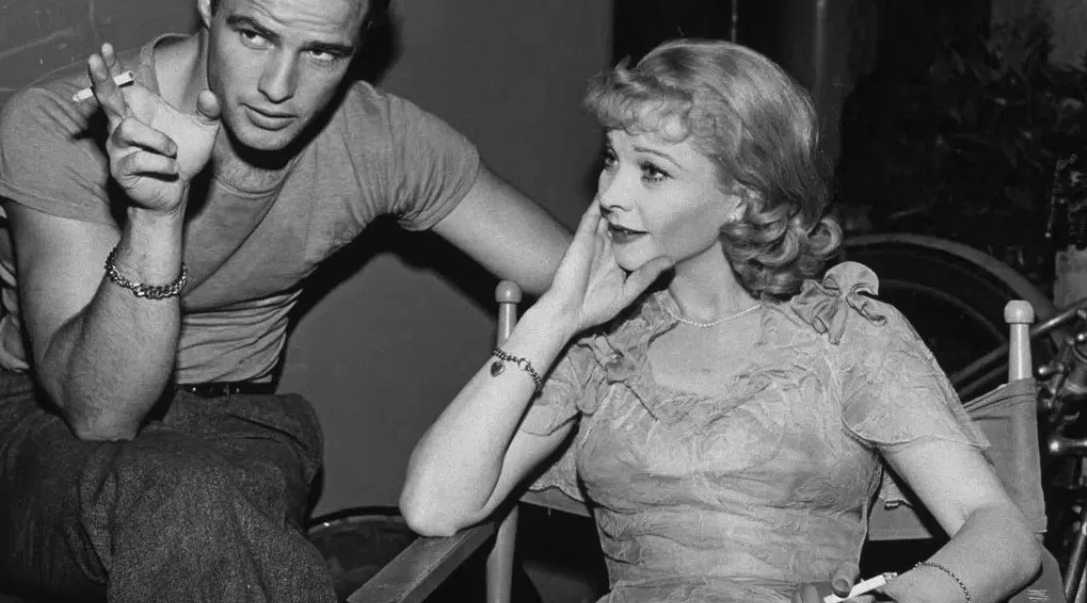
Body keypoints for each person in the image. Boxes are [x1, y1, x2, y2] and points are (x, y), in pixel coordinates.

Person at [0, 0, 570, 601]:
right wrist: (155, 217)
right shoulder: (64, 122)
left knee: (207, 493)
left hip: (236, 429)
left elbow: (580, 274)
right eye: (255, 35)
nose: (279, 86)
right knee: (190, 497)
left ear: (361, 42)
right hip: (36, 438)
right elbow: (100, 413)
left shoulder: (380, 140)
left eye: (322, 53)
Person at [400, 39, 1042, 603]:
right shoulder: (602, 347)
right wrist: (556, 316)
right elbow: (434, 506)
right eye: (612, 160)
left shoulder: (843, 335)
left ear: (743, 195)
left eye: (652, 171)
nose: (611, 195)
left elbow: (1001, 532)